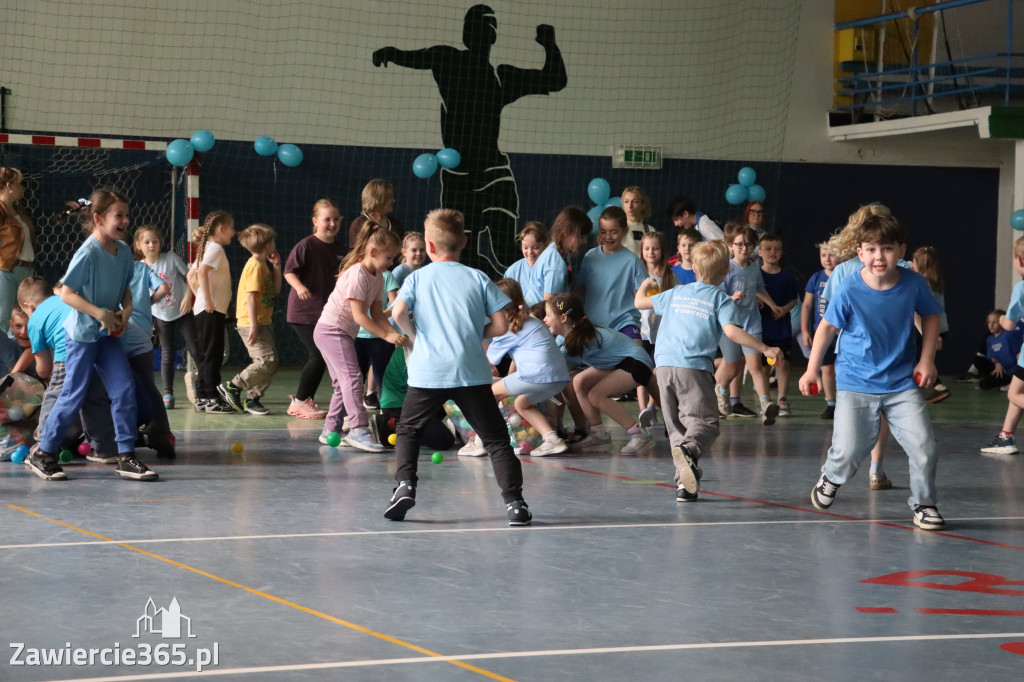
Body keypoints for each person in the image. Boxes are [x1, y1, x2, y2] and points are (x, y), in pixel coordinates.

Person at [373, 5, 566, 273]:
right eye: (474, 28)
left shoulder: (502, 76)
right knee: (464, 255)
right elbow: (415, 57)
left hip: (494, 174)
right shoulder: (447, 59)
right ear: (466, 34)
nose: (478, 34)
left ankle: (538, 280)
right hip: (459, 177)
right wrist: (391, 53)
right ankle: (496, 291)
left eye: (485, 28)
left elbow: (555, 80)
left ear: (492, 36)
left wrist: (550, 45)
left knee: (505, 252)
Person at [800, 214, 945, 530]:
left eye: (887, 248)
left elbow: (932, 317)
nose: (879, 256)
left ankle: (924, 503)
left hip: (901, 383)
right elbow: (826, 329)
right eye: (871, 249)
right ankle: (831, 476)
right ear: (860, 253)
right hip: (855, 381)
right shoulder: (849, 288)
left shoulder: (914, 284)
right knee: (850, 449)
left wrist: (926, 360)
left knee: (924, 445)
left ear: (901, 250)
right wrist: (812, 370)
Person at [385, 208, 530, 525]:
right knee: (496, 439)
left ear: (429, 246)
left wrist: (415, 336)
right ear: (464, 241)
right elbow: (501, 325)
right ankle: (515, 503)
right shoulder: (477, 277)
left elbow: (397, 313)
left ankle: (405, 485)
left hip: (428, 373)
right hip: (471, 372)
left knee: (408, 429)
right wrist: (474, 333)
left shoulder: (417, 277)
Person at [24, 189, 157, 482]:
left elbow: (125, 289)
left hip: (108, 336)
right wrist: (100, 314)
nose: (125, 221)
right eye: (118, 215)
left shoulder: (124, 251)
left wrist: (126, 310)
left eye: (127, 215)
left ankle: (125, 456)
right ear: (98, 218)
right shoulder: (88, 253)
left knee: (123, 390)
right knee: (73, 394)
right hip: (82, 336)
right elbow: (67, 294)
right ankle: (42, 453)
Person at [636, 240, 781, 501]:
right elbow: (731, 332)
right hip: (693, 367)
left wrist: (645, 286)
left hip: (664, 367)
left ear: (694, 268)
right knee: (706, 424)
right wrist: (764, 348)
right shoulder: (721, 299)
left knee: (677, 428)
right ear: (726, 270)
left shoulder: (676, 293)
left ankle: (685, 486)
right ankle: (690, 451)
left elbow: (640, 303)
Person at [315, 223, 409, 452]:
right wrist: (386, 336)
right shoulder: (357, 274)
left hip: (340, 332)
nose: (391, 263)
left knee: (343, 384)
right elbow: (359, 316)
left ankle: (330, 430)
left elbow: (377, 314)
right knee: (352, 378)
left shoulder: (379, 278)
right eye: (388, 257)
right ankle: (358, 429)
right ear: (373, 252)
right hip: (331, 330)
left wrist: (393, 333)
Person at [459, 278, 569, 457]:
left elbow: (491, 359)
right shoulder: (530, 321)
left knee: (489, 395)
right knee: (522, 404)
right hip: (559, 378)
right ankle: (552, 440)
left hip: (537, 375)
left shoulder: (508, 329)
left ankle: (480, 442)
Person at [544, 293, 660, 456]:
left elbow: (552, 367)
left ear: (563, 318)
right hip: (618, 362)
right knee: (579, 381)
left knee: (596, 395)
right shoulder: (566, 338)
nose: (545, 319)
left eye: (548, 315)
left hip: (636, 362)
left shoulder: (580, 338)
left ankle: (638, 434)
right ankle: (599, 434)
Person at [19, 277, 119, 463]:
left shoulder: (35, 320)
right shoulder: (64, 300)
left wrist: (42, 377)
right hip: (95, 353)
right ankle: (105, 449)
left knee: (54, 397)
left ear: (29, 306)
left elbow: (44, 368)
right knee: (95, 400)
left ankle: (42, 446)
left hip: (69, 356)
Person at [714, 225, 783, 425]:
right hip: (730, 324)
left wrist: (772, 304)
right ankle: (721, 389)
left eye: (748, 244)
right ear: (730, 246)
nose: (743, 248)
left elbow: (759, 288)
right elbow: (717, 295)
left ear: (754, 247)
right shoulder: (726, 268)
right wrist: (731, 297)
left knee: (756, 366)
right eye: (739, 244)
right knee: (733, 365)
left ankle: (765, 404)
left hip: (751, 322)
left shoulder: (754, 268)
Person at [284, 199, 344, 420]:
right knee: (317, 354)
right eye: (327, 219)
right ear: (315, 221)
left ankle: (306, 399)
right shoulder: (306, 245)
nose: (332, 223)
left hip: (326, 312)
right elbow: (289, 272)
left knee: (323, 356)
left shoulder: (341, 249)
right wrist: (300, 287)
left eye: (336, 219)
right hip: (303, 313)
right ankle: (300, 402)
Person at [218, 224, 281, 416]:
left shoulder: (263, 265)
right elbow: (250, 297)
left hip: (262, 321)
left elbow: (275, 291)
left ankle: (252, 399)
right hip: (251, 322)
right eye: (272, 241)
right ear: (267, 245)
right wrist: (253, 325)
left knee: (271, 362)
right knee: (266, 360)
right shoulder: (254, 266)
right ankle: (233, 385)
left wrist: (277, 267)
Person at [134, 225, 198, 410]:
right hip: (161, 315)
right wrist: (149, 318)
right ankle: (168, 393)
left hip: (182, 310)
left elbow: (189, 277)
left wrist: (188, 297)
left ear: (160, 242)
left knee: (194, 347)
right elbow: (141, 296)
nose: (151, 245)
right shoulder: (140, 268)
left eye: (155, 241)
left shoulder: (170, 258)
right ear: (138, 245)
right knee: (167, 352)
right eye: (147, 242)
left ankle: (204, 386)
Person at [190, 211, 236, 414]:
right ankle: (212, 398)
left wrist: (200, 296)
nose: (233, 232)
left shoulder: (207, 248)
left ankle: (202, 396)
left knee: (207, 353)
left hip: (206, 309)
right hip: (211, 309)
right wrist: (207, 299)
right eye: (231, 228)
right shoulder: (215, 248)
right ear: (221, 229)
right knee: (213, 355)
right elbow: (200, 272)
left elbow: (190, 275)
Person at [577, 207, 647, 339]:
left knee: (636, 350)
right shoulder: (590, 257)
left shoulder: (632, 260)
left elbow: (645, 293)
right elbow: (581, 289)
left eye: (614, 232)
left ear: (625, 231)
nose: (608, 237)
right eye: (603, 232)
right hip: (593, 323)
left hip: (624, 322)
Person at [982, 238, 1024, 456]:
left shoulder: (1021, 288)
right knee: (1019, 390)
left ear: (1020, 261)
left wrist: (1001, 319)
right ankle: (1005, 437)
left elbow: (1009, 324)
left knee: (1013, 394)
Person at [758, 233, 799, 416]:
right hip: (762, 329)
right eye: (768, 249)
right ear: (760, 252)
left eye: (777, 249)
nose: (772, 252)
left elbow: (793, 300)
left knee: (782, 364)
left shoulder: (787, 276)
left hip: (782, 329)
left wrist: (784, 310)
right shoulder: (756, 275)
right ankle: (766, 402)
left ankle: (782, 400)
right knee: (764, 367)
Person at [637, 232, 676, 426]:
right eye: (647, 248)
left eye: (655, 248)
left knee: (657, 371)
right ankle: (643, 409)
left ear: (663, 251)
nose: (651, 252)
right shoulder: (638, 275)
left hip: (662, 332)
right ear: (641, 251)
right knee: (640, 369)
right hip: (641, 330)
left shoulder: (670, 276)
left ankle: (652, 406)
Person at [801, 241, 838, 418]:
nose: (827, 259)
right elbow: (807, 305)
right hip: (822, 332)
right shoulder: (816, 278)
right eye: (823, 255)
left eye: (831, 255)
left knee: (843, 368)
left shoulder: (845, 276)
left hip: (842, 332)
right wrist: (805, 331)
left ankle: (845, 401)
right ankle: (831, 403)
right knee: (827, 369)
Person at [911, 246, 951, 403]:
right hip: (942, 328)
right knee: (925, 361)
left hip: (928, 329)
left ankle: (937, 387)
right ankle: (937, 387)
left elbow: (919, 313)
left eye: (914, 262)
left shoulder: (921, 285)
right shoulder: (935, 281)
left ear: (919, 265)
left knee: (916, 361)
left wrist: (930, 336)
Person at [0, 167, 38, 331]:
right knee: (3, 317)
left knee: (25, 317)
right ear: (9, 186)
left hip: (26, 270)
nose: (23, 187)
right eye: (20, 183)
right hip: (6, 270)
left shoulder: (19, 210)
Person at [534, 206, 587, 300]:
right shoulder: (555, 262)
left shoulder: (561, 253)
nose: (584, 241)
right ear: (567, 233)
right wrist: (574, 297)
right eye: (581, 236)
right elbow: (550, 303)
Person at [347, 179, 404, 262]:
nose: (393, 200)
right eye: (389, 197)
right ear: (378, 199)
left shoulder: (395, 224)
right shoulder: (359, 224)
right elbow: (357, 256)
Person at [503, 222, 547, 305]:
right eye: (525, 247)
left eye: (535, 247)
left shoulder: (550, 269)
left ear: (545, 245)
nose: (530, 252)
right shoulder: (513, 271)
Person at [621, 186, 656, 257]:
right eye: (626, 202)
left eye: (635, 202)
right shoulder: (618, 228)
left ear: (643, 204)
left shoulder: (650, 230)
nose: (630, 206)